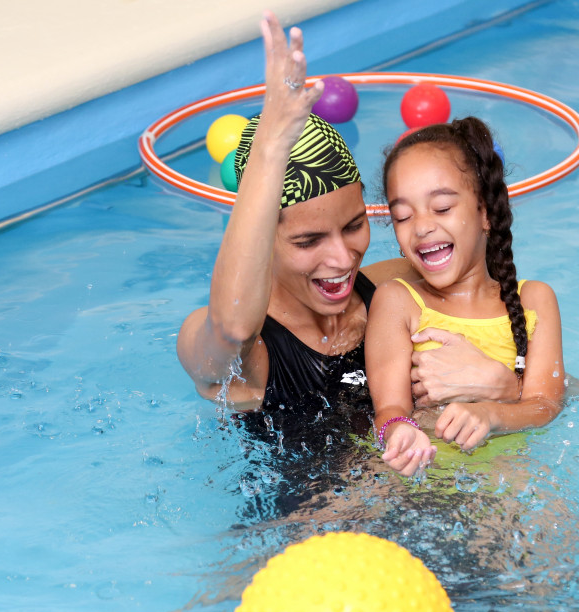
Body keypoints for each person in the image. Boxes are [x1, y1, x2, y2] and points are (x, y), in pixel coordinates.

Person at [176, 12, 519, 426]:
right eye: (309, 241)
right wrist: (270, 149)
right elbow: (232, 328)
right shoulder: (246, 354)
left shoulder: (400, 289)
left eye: (354, 225)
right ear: (263, 242)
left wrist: (507, 388)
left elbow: (556, 385)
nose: (343, 258)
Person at [366, 117, 566, 477]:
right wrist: (399, 432)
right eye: (403, 216)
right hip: (424, 475)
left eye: (442, 208)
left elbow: (546, 405)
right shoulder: (397, 301)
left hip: (510, 478)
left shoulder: (535, 300)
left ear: (485, 212)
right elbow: (389, 409)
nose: (422, 227)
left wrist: (491, 413)